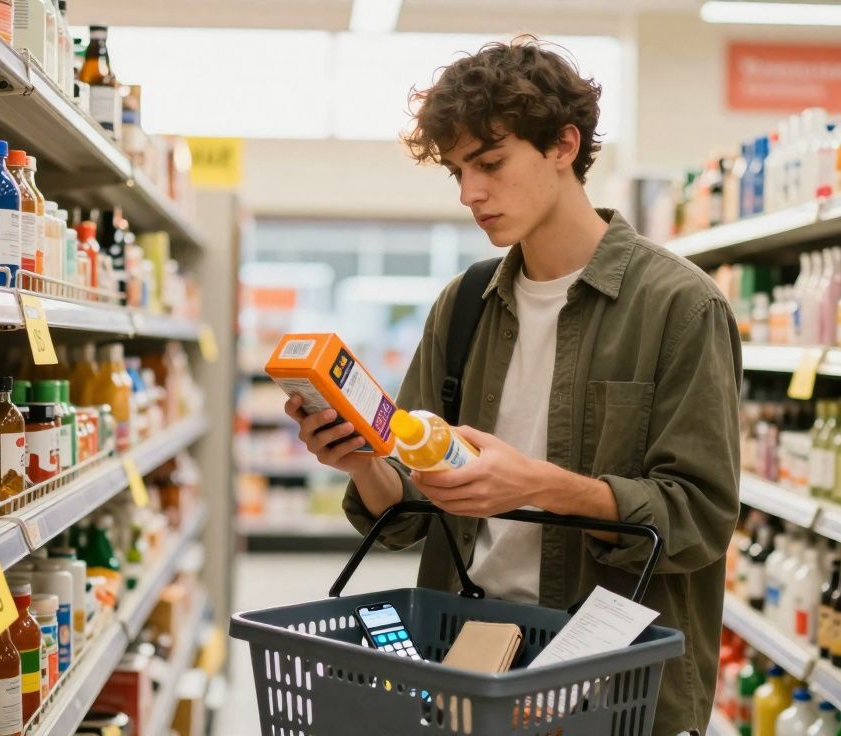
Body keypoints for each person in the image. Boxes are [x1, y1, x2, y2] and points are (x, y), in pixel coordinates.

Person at [282, 36, 740, 735]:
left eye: (490, 164)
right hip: (466, 666)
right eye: (459, 172)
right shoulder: (463, 306)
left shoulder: (680, 307)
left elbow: (699, 517)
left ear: (563, 145)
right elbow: (405, 517)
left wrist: (537, 486)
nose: (470, 193)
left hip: (613, 686)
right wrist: (363, 459)